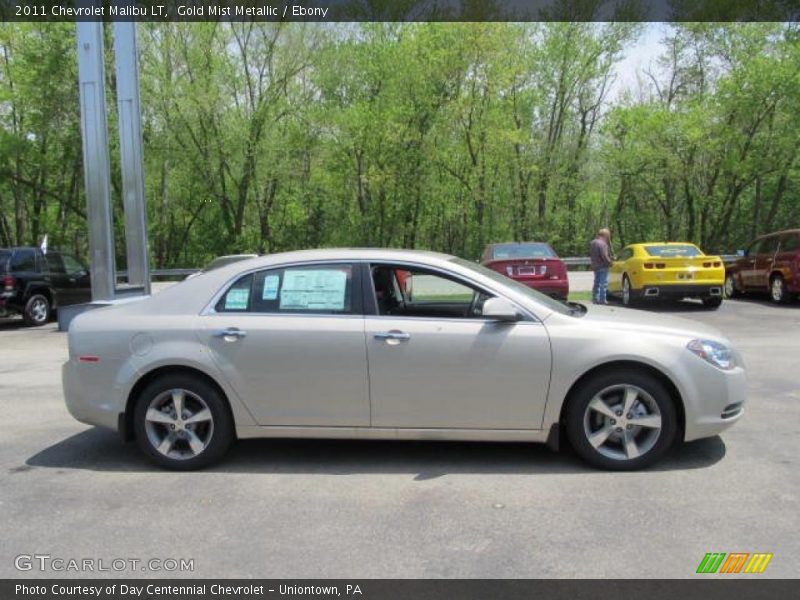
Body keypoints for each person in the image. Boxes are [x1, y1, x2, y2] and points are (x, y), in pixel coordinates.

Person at [590, 228, 614, 305]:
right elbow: (604, 256)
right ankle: (602, 300)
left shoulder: (593, 243)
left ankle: (595, 298)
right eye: (608, 236)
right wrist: (610, 262)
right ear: (605, 235)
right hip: (603, 266)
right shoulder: (603, 244)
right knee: (603, 283)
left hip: (595, 265)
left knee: (596, 282)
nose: (608, 238)